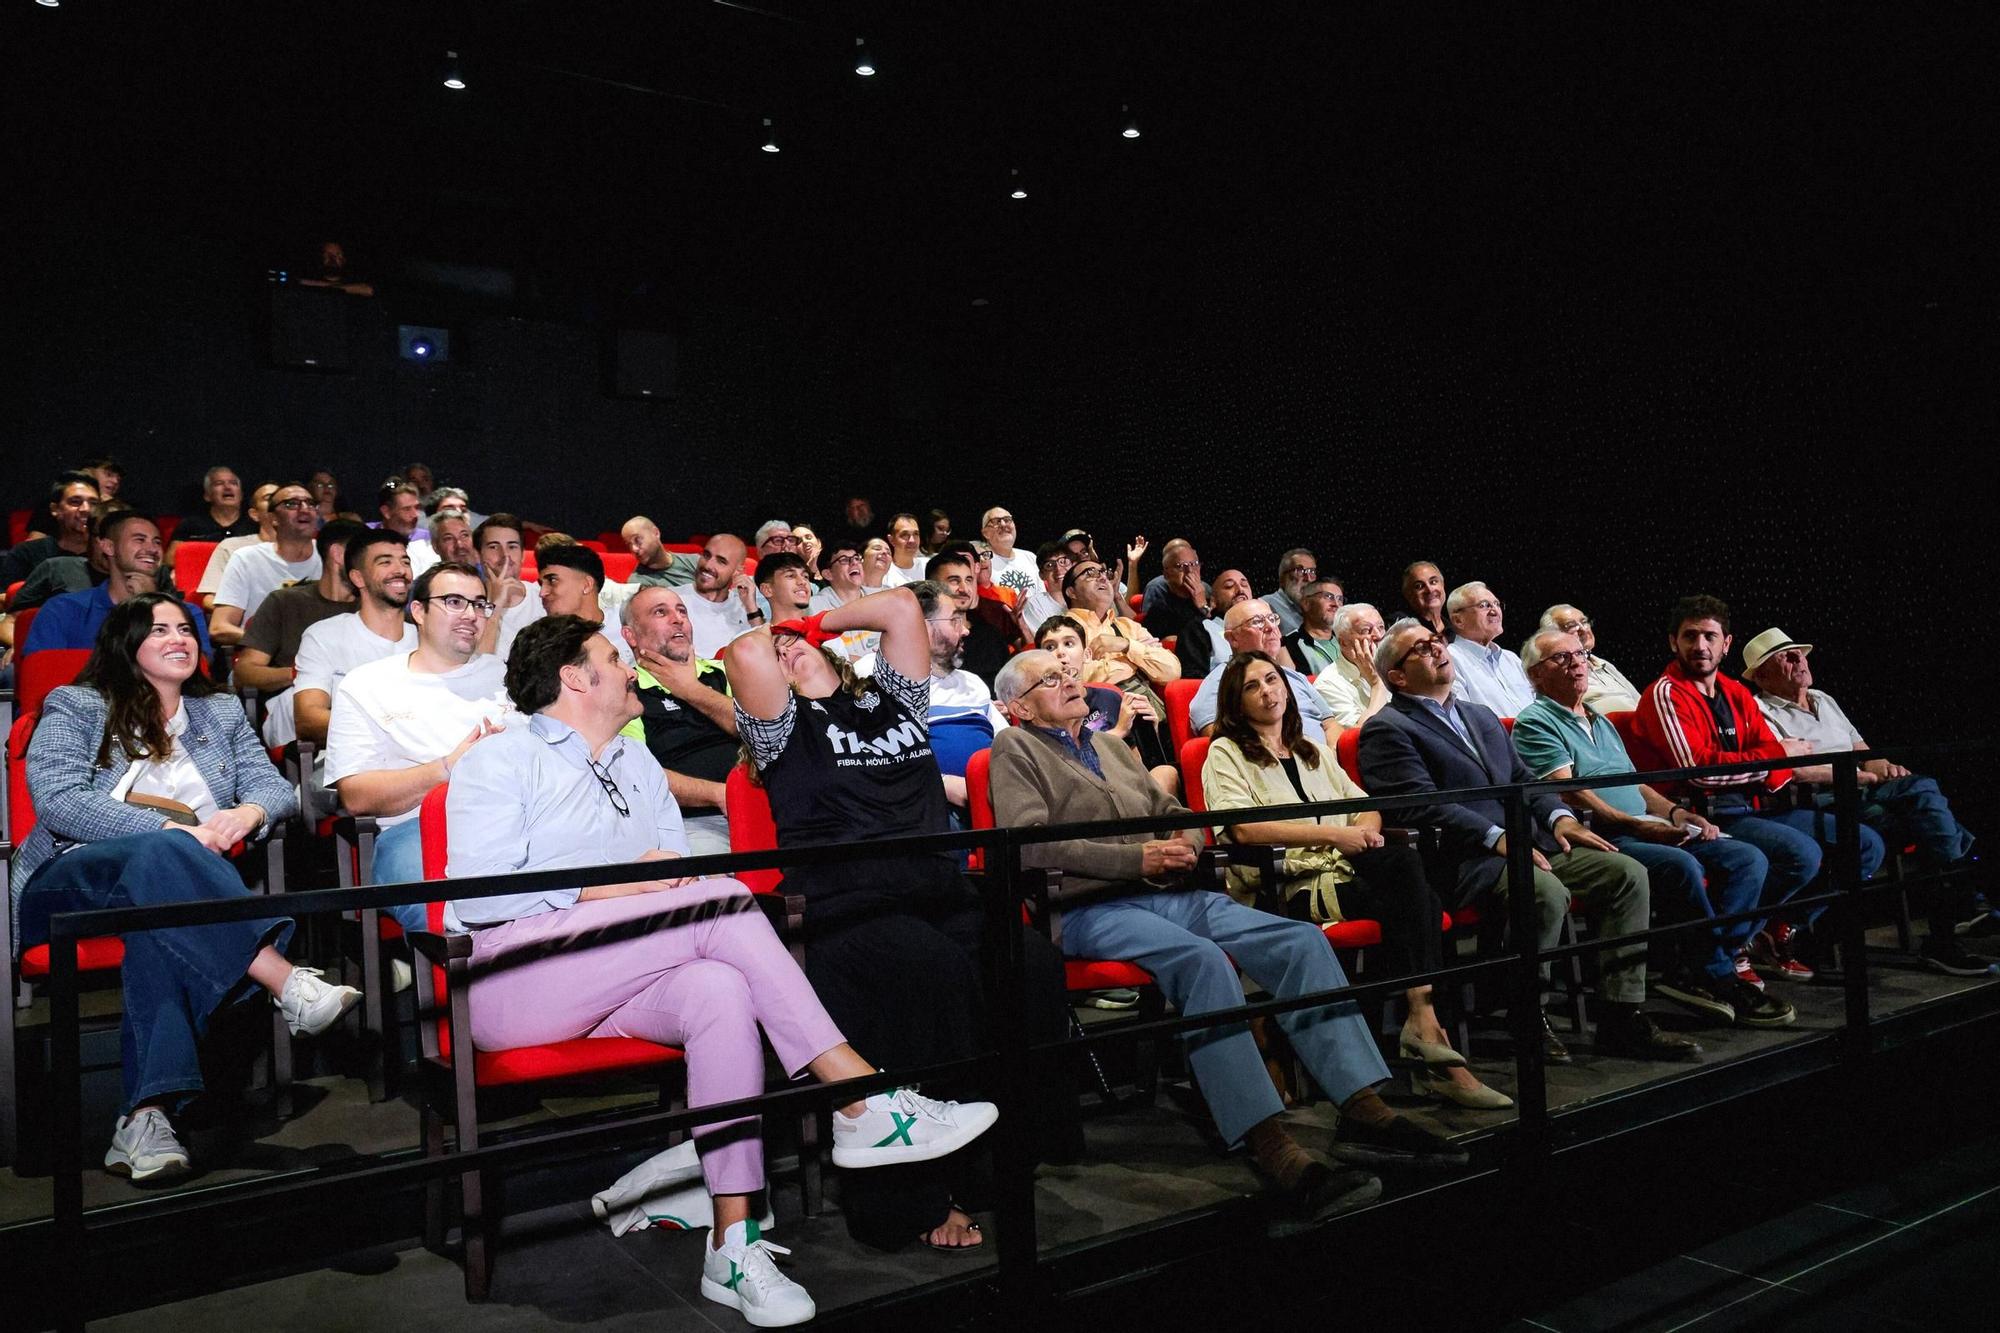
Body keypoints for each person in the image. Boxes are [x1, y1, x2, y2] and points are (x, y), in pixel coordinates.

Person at [445, 614, 998, 1326]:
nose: (629, 670)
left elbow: (669, 878)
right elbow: (477, 895)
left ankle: (732, 1243)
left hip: (616, 968)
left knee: (721, 988)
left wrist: (647, 885)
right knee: (724, 902)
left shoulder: (637, 762)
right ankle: (859, 1097)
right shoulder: (502, 758)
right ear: (575, 678)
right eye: (614, 659)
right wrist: (613, 884)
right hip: (512, 977)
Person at [991, 648, 1467, 1212]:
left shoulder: (1110, 746)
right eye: (1051, 679)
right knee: (1202, 961)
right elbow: (1027, 845)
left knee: (1299, 940)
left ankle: (1361, 1105)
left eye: (1068, 672)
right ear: (1018, 706)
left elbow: (1175, 813)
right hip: (1091, 908)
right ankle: (1266, 1138)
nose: (1070, 681)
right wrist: (1134, 861)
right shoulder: (1013, 747)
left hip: (1168, 893)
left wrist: (1185, 845)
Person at [724, 586, 1077, 1252]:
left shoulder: (897, 701)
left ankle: (995, 1163)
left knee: (1028, 960)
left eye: (797, 641)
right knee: (930, 971)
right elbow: (744, 649)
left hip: (937, 893)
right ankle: (915, 1197)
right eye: (780, 647)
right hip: (846, 908)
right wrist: (778, 632)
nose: (783, 647)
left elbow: (901, 612)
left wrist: (809, 623)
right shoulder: (781, 733)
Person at [13, 593, 356, 1182]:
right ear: (126, 643)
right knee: (167, 852)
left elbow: (274, 790)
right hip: (73, 879)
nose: (179, 638)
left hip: (172, 897)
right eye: (159, 629)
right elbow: (60, 803)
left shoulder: (219, 712)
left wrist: (246, 815)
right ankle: (283, 978)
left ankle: (144, 1120)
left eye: (185, 628)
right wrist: (174, 830)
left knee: (158, 932)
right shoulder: (76, 704)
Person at [1358, 618, 1700, 1063]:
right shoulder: (1388, 728)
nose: (1437, 648)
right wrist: (1496, 836)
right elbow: (1420, 806)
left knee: (1627, 874)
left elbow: (1523, 781)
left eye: (1436, 641)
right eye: (1421, 648)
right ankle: (1526, 1015)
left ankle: (1621, 1014)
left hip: (1528, 845)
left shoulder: (1479, 716)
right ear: (1397, 677)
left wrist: (1560, 818)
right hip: (1463, 858)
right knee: (1543, 892)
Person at [1204, 651, 1509, 1108]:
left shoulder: (1313, 751)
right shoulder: (1224, 752)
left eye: (1273, 679)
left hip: (1345, 868)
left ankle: (1421, 1022)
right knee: (1416, 896)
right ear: (1236, 701)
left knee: (1411, 875)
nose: (1269, 692)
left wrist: (1364, 828)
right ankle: (1428, 1036)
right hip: (1289, 884)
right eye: (1253, 686)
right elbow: (1244, 829)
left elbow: (1365, 801)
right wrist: (1334, 834)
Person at [1513, 629, 1796, 1028]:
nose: (1577, 663)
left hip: (1646, 826)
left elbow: (1636, 783)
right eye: (1561, 659)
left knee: (1746, 859)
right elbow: (1567, 792)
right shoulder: (1536, 721)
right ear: (1535, 676)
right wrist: (1634, 825)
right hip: (1603, 836)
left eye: (1579, 654)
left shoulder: (1599, 719)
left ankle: (1699, 962)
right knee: (1679, 866)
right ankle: (1714, 973)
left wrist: (1677, 814)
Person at [1630, 596, 1873, 984]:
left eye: (1710, 636)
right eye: (1690, 636)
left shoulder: (1735, 692)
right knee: (1800, 854)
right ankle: (1720, 955)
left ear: (1726, 644)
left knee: (1863, 843)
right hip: (1703, 814)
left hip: (1753, 807)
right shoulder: (1666, 692)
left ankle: (1769, 929)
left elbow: (1779, 771)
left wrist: (1764, 761)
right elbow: (1699, 772)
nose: (1700, 646)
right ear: (1673, 642)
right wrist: (1771, 756)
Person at [1745, 627, 1991, 975]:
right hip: (1821, 800)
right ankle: (1956, 909)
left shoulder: (1824, 699)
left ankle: (1947, 923)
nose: (1799, 658)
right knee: (1926, 809)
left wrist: (1884, 767)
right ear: (1763, 675)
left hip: (1865, 790)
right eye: (1785, 656)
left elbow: (1862, 752)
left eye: (1799, 652)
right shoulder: (1759, 710)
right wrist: (1858, 775)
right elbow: (1792, 773)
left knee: (1923, 800)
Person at [324, 562, 520, 917]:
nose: (471, 615)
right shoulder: (368, 684)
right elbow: (355, 795)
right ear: (418, 611)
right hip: (419, 830)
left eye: (479, 604)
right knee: (463, 916)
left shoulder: (508, 676)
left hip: (515, 822)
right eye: (454, 602)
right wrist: (448, 768)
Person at [617, 587, 741, 857]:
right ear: (631, 635)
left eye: (681, 610)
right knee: (714, 878)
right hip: (693, 822)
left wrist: (691, 689)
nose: (678, 619)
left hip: (762, 805)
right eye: (661, 612)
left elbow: (758, 728)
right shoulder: (626, 690)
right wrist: (720, 794)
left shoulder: (725, 671)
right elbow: (639, 774)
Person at [233, 519, 366, 746]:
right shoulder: (285, 602)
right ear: (338, 554)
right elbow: (245, 672)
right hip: (295, 705)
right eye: (364, 556)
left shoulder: (376, 606)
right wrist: (302, 674)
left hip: (363, 702)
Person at [25, 512, 214, 658]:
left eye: (157, 541)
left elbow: (196, 673)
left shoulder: (186, 613)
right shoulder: (63, 609)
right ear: (108, 547)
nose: (152, 549)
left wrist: (150, 606)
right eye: (139, 540)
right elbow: (43, 674)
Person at [293, 528, 417, 749]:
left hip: (426, 758)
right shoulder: (324, 635)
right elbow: (308, 718)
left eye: (405, 562)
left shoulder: (427, 637)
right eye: (385, 562)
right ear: (358, 577)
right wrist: (393, 730)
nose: (400, 570)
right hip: (349, 760)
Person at [1035, 615, 1177, 793]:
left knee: (1166, 773)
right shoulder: (1041, 713)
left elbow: (1137, 764)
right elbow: (1061, 766)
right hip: (1083, 791)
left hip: (1127, 784)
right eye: (1050, 647)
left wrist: (1148, 730)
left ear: (1087, 655)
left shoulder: (1109, 697)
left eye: (1069, 644)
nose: (1060, 653)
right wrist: (1118, 731)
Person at [908, 580, 1006, 809]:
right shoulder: (879, 679)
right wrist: (939, 784)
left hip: (992, 801)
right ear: (920, 626)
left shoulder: (972, 683)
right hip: (926, 808)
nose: (965, 630)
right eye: (954, 620)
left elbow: (1009, 744)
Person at [1190, 599, 1338, 742]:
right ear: (1233, 638)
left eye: (1272, 619)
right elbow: (1214, 733)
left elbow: (1330, 724)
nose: (1270, 627)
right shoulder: (1222, 678)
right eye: (1257, 622)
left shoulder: (1295, 676)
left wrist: (1330, 754)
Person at [209, 483, 322, 647]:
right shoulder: (246, 558)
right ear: (273, 518)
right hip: (264, 660)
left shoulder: (333, 555)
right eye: (292, 504)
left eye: (310, 503)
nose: (304, 509)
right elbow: (219, 628)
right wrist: (274, 643)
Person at [1060, 557, 1180, 693]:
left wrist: (1126, 645)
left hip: (1147, 708)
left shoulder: (1127, 626)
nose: (1103, 578)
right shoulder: (1061, 630)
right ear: (1072, 592)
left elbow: (1172, 671)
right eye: (1091, 573)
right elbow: (1074, 677)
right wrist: (1136, 662)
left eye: (1105, 573)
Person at [928, 545, 1024, 686]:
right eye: (954, 580)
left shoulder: (991, 635)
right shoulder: (921, 639)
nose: (964, 588)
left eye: (968, 580)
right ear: (931, 586)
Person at [1445, 582, 1534, 717]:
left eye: (1497, 604)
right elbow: (1465, 718)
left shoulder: (1511, 658)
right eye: (1484, 605)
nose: (1495, 611)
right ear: (1458, 620)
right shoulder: (1451, 658)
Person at [536, 543, 634, 665]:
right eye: (541, 584)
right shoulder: (541, 642)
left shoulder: (630, 623)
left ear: (587, 585)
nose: (542, 592)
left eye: (552, 581)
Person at [1538, 605, 1643, 712]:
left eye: (1584, 622)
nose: (1583, 629)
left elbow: (1639, 700)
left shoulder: (1603, 664)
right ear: (1553, 636)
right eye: (1571, 626)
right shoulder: (1558, 672)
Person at [2, 471, 99, 587]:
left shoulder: (108, 555)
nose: (86, 509)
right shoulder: (26, 554)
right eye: (75, 502)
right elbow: (6, 598)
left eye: (94, 503)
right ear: (55, 509)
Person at [194, 481, 279, 605]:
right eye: (269, 498)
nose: (277, 502)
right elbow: (210, 599)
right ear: (254, 514)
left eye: (286, 500)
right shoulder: (231, 547)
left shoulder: (312, 548)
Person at [1312, 603, 1392, 729]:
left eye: (1381, 627)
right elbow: (1361, 734)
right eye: (1366, 630)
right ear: (1343, 642)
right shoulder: (1328, 684)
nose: (1379, 636)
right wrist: (1378, 685)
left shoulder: (1396, 665)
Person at [1175, 566, 1253, 680]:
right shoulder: (1200, 628)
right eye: (1229, 586)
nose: (1240, 590)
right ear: (1213, 601)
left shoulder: (1269, 626)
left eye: (1244, 585)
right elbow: (1195, 683)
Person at [1280, 575, 1346, 676]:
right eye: (1328, 596)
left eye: (1340, 599)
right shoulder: (1288, 645)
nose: (1336, 604)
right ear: (1306, 603)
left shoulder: (1349, 641)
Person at [173, 466, 256, 544]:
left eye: (233, 483)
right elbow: (171, 557)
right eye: (219, 483)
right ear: (207, 496)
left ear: (241, 495)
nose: (227, 487)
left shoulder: (254, 524)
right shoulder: (190, 525)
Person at [1013, 541, 1072, 641]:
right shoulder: (1035, 605)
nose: (1058, 569)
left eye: (1063, 562)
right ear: (1041, 575)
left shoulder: (1085, 596)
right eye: (1049, 565)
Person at [623, 515, 701, 589]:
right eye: (629, 545)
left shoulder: (694, 561)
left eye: (637, 540)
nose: (634, 549)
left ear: (656, 533)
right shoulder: (637, 582)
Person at [979, 507, 1038, 600]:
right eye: (996, 521)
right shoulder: (982, 562)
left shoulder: (1030, 557)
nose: (1003, 524)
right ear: (985, 533)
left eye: (1007, 520)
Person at [1267, 548, 1319, 636]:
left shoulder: (1317, 610)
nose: (1308, 578)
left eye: (1312, 571)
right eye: (1300, 570)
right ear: (1283, 577)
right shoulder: (1266, 605)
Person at [754, 551, 815, 625]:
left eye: (805, 576)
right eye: (790, 576)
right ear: (767, 590)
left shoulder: (827, 633)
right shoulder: (755, 636)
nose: (802, 581)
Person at [1400, 561, 1451, 642]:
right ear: (1408, 595)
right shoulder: (1401, 628)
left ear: (1443, 585)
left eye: (1433, 582)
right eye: (1419, 586)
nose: (1430, 590)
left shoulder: (1458, 630)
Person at [882, 513, 927, 588]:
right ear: (891, 540)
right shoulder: (884, 574)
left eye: (916, 534)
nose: (912, 540)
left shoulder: (927, 565)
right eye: (905, 535)